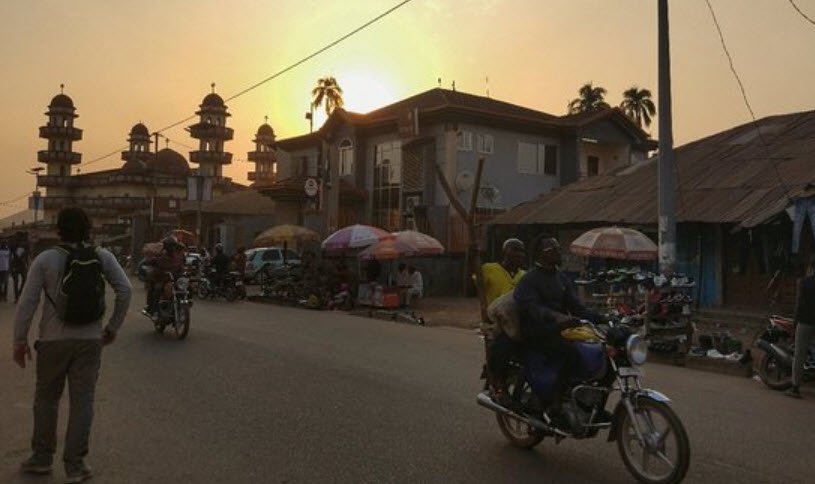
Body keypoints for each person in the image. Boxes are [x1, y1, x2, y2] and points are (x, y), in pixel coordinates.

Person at [12, 207, 132, 483]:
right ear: (89, 229)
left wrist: (20, 341)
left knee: (46, 399)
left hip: (52, 341)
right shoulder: (102, 257)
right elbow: (124, 290)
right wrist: (112, 328)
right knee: (82, 402)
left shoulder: (45, 259)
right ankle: (76, 466)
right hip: (90, 341)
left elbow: (27, 303)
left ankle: (42, 459)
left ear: (59, 230)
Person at [514, 236, 601, 430]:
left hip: (560, 331)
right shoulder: (529, 280)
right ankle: (555, 404)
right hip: (537, 333)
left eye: (557, 247)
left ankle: (588, 401)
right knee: (571, 353)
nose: (557, 251)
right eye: (552, 249)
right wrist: (557, 317)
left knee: (598, 352)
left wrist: (603, 318)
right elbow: (534, 309)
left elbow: (576, 307)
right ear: (540, 255)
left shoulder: (561, 278)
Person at [481, 238, 527, 402]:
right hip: (496, 323)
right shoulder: (489, 269)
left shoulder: (524, 276)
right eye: (515, 250)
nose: (519, 254)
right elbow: (476, 283)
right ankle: (498, 383)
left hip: (516, 322)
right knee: (504, 345)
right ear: (505, 251)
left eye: (522, 251)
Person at [787, 258, 815, 399]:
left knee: (799, 355)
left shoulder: (803, 282)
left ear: (811, 267)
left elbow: (798, 304)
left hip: (804, 321)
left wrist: (794, 322)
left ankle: (795, 388)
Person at [144, 236, 185, 318]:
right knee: (157, 289)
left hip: (175, 280)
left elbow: (182, 266)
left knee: (186, 288)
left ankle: (183, 304)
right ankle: (153, 310)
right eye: (170, 246)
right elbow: (150, 261)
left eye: (173, 246)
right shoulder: (161, 256)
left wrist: (184, 273)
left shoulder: (179, 256)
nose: (171, 248)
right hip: (163, 280)